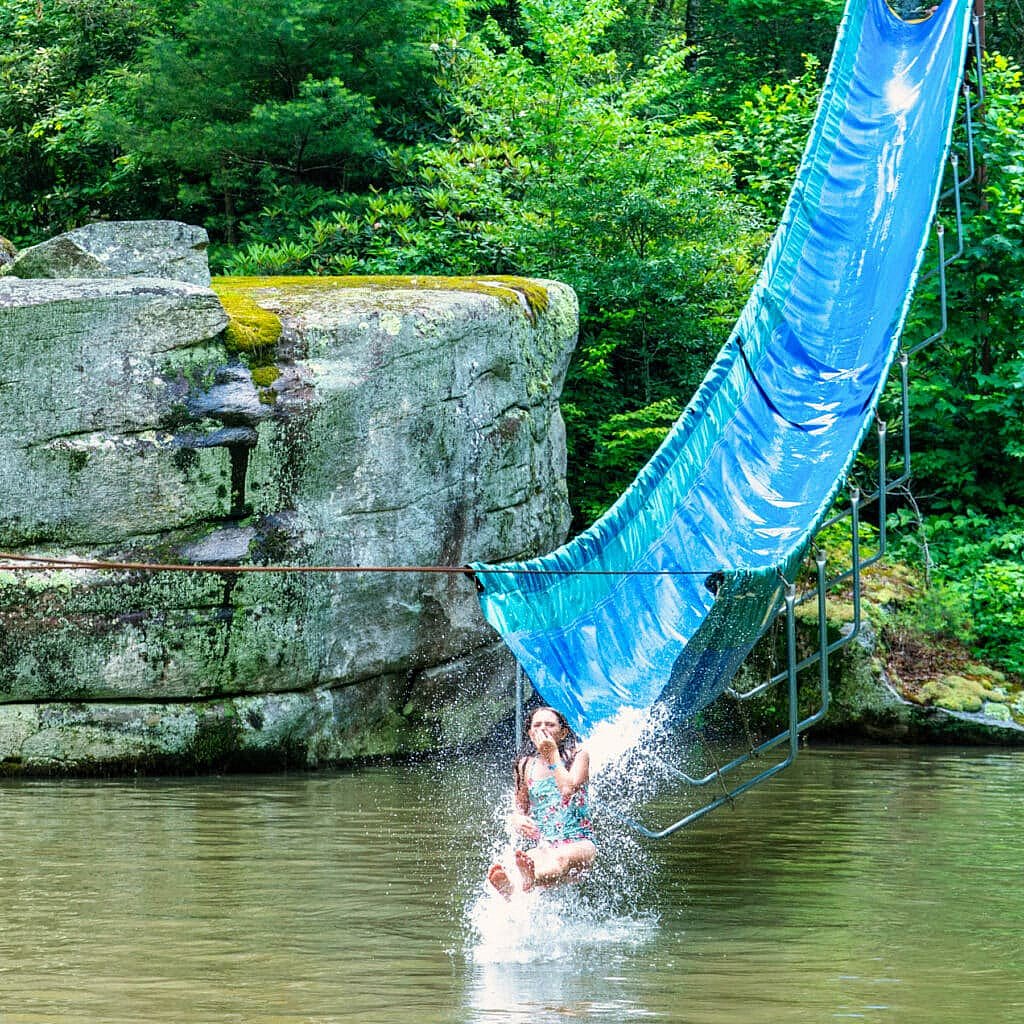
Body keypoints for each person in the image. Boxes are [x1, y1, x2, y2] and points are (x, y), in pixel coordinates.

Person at [486, 705, 596, 899]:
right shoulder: (526, 765)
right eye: (537, 725)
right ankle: (511, 889)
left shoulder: (578, 756)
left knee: (559, 858)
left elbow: (567, 789)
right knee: (528, 860)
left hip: (580, 843)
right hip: (547, 844)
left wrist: (552, 755)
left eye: (550, 725)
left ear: (563, 733)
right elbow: (520, 808)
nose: (543, 729)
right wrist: (517, 819)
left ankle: (531, 879)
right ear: (530, 734)